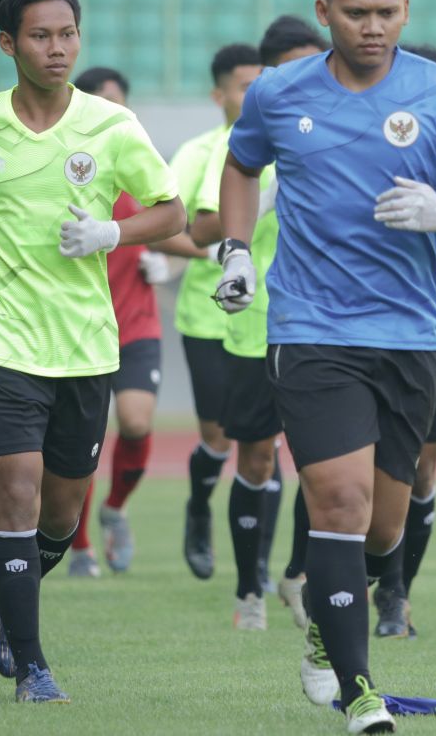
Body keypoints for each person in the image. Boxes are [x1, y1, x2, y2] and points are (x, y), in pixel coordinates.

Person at [218, 0, 436, 731]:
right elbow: (241, 166)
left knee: (385, 526)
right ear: (326, 13)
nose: (374, 26)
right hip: (310, 329)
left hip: (412, 336)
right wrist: (235, 251)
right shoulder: (280, 92)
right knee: (340, 501)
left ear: (406, 10)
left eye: (387, 11)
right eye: (357, 13)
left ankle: (326, 631)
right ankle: (362, 695)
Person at [0, 0, 184, 703]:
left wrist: (112, 230)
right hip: (0, 344)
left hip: (87, 347)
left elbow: (172, 210)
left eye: (67, 33)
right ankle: (33, 666)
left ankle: (16, 603)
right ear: (9, 44)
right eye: (41, 35)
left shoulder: (112, 126)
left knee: (63, 515)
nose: (58, 47)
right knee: (17, 497)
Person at [189, 15, 327, 630]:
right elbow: (198, 231)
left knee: (324, 461)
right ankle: (250, 588)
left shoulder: (340, 127)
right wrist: (249, 211)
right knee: (256, 462)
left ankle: (297, 574)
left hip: (323, 324)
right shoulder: (241, 143)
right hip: (254, 329)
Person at [65, 65, 194, 577]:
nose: (110, 113)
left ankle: (115, 507)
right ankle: (79, 548)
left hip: (136, 324)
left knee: (136, 423)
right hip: (77, 327)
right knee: (82, 441)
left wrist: (174, 264)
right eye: (100, 104)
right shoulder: (69, 174)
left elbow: (180, 235)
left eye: (118, 103)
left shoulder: (142, 173)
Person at [368, 42, 436, 641]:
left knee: (419, 475)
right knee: (355, 474)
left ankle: (395, 595)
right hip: (354, 338)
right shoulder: (363, 145)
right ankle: (332, 580)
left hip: (434, 340)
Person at [174, 44, 264, 581]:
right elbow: (169, 226)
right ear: (220, 94)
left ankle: (257, 574)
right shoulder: (198, 153)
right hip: (208, 317)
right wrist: (216, 248)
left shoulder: (290, 144)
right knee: (218, 438)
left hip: (270, 318)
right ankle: (198, 508)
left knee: (265, 446)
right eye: (244, 86)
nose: (254, 96)